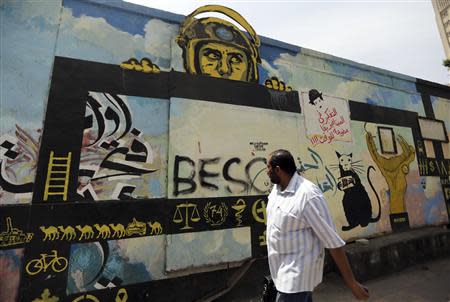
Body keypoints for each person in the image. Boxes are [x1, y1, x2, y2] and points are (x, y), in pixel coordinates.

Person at [266, 149, 370, 302]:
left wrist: (351, 283)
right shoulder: (276, 190)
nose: (266, 172)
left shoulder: (307, 195)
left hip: (296, 278)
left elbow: (331, 240)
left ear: (278, 170)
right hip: (280, 272)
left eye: (268, 167)